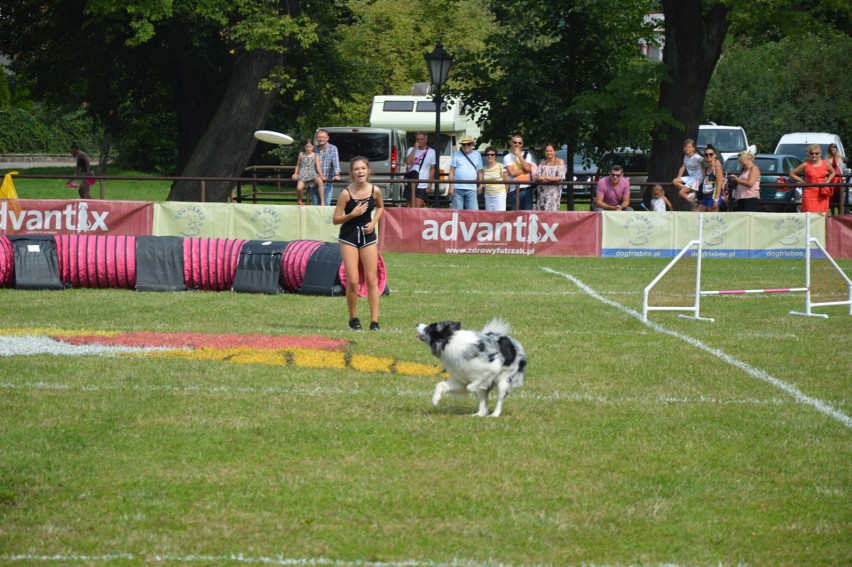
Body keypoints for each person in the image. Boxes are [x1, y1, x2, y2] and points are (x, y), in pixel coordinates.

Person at [332, 156, 384, 331]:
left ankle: (374, 322)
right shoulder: (346, 193)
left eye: (363, 168)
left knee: (371, 279)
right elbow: (335, 219)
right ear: (352, 172)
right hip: (349, 236)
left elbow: (381, 207)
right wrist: (352, 214)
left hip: (368, 236)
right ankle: (353, 319)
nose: (360, 171)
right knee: (353, 282)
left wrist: (374, 221)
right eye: (356, 169)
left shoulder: (375, 190)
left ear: (368, 171)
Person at [790, 144, 836, 214]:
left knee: (821, 213)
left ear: (820, 154)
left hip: (822, 192)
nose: (814, 155)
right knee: (808, 212)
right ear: (809, 154)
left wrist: (827, 181)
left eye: (816, 153)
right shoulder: (806, 164)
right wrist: (802, 182)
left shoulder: (825, 163)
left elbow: (833, 172)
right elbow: (792, 173)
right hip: (809, 192)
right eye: (812, 153)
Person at [448, 134, 483, 210]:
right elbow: (451, 171)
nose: (466, 146)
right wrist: (451, 186)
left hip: (472, 189)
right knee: (456, 213)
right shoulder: (456, 154)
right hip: (457, 188)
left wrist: (480, 185)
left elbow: (479, 171)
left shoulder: (477, 155)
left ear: (472, 145)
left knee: (473, 213)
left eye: (468, 144)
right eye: (464, 144)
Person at [403, 131, 436, 207]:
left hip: (422, 183)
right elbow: (408, 162)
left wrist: (430, 183)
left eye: (421, 139)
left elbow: (432, 169)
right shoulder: (411, 149)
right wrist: (415, 149)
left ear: (426, 140)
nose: (419, 141)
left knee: (417, 207)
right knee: (409, 206)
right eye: (417, 139)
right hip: (410, 181)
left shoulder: (431, 152)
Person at [503, 134, 536, 210]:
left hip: (527, 189)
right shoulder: (507, 157)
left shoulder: (527, 155)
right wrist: (524, 170)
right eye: (515, 142)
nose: (517, 144)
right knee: (516, 216)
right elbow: (512, 173)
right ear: (511, 143)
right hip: (514, 191)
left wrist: (519, 155)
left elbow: (527, 168)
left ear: (522, 144)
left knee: (527, 215)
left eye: (519, 143)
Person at [291, 139, 324, 206]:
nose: (308, 148)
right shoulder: (301, 154)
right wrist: (295, 173)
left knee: (320, 182)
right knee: (299, 188)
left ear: (313, 147)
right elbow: (298, 165)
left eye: (310, 147)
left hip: (312, 172)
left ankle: (322, 202)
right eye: (307, 147)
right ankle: (299, 200)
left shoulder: (316, 155)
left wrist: (321, 176)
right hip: (303, 172)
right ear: (304, 147)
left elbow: (318, 167)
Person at [673, 138, 704, 207]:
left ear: (693, 148)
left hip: (697, 179)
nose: (687, 148)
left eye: (689, 147)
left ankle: (695, 204)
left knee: (681, 193)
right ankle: (692, 192)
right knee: (675, 181)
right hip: (691, 177)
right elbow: (683, 167)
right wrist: (678, 178)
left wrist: (704, 175)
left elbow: (704, 162)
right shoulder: (686, 156)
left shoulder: (696, 157)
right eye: (685, 147)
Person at [694, 144, 724, 212]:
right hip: (706, 198)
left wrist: (716, 200)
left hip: (713, 198)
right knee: (696, 216)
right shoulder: (707, 168)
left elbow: (719, 184)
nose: (708, 156)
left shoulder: (717, 168)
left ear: (714, 155)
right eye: (706, 154)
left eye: (711, 154)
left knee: (711, 220)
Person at [537, 144, 566, 211]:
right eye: (547, 151)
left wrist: (546, 178)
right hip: (542, 193)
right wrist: (538, 178)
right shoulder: (542, 163)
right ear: (545, 152)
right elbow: (537, 176)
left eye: (551, 151)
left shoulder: (560, 161)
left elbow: (560, 177)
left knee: (552, 212)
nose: (549, 153)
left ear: (554, 152)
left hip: (553, 193)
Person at [315, 129, 340, 206]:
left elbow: (336, 163)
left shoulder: (333, 148)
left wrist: (337, 174)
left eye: (323, 137)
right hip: (315, 183)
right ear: (316, 138)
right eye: (319, 137)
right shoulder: (313, 149)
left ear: (327, 138)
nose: (321, 139)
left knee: (325, 205)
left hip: (327, 182)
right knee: (314, 206)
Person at [482, 146, 508, 211]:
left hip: (499, 195)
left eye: (492, 154)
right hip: (488, 196)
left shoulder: (501, 166)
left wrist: (505, 194)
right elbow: (483, 184)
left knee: (500, 216)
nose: (490, 156)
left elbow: (506, 182)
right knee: (489, 216)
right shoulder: (484, 169)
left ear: (495, 156)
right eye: (488, 155)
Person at [826, 143, 845, 214]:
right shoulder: (828, 158)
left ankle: (839, 211)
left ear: (836, 150)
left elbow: (841, 168)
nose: (832, 151)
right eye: (831, 150)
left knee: (838, 195)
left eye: (833, 150)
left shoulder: (839, 157)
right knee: (831, 195)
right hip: (831, 179)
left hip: (838, 179)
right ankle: (831, 209)